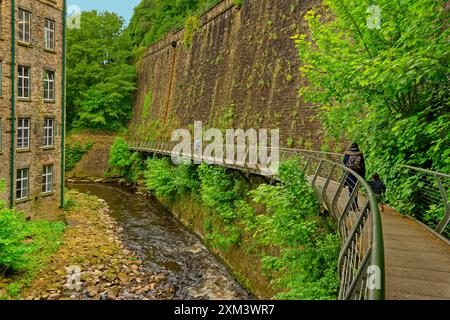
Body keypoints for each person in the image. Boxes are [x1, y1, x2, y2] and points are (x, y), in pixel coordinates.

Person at [343, 142, 366, 211]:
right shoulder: (360, 154)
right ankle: (355, 206)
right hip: (358, 174)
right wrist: (363, 177)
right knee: (355, 190)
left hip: (349, 174)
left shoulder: (347, 154)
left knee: (351, 190)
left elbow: (344, 162)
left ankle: (352, 206)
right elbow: (363, 166)